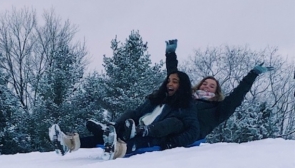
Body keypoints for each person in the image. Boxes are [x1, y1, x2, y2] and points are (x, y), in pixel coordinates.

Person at [49, 70, 200, 160]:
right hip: (131, 128)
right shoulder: (157, 99)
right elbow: (138, 113)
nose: (169, 84)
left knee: (173, 123)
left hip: (153, 135)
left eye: (175, 81)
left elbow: (193, 132)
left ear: (182, 86)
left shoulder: (186, 106)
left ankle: (116, 145)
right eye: (168, 81)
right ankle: (68, 143)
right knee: (129, 114)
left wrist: (171, 143)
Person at [164, 39, 274, 140]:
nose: (207, 86)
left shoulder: (218, 109)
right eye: (204, 84)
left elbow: (238, 94)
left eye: (212, 86)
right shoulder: (186, 99)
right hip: (165, 129)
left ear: (216, 92)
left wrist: (253, 74)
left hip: (186, 138)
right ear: (199, 86)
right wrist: (170, 54)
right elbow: (174, 79)